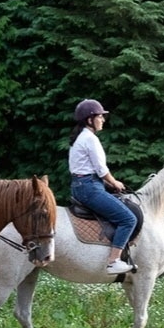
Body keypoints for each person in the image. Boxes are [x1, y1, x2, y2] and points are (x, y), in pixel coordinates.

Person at [69, 99, 137, 275]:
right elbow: (101, 169)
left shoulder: (80, 138)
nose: (103, 120)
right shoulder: (90, 139)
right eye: (100, 117)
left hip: (82, 185)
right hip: (90, 187)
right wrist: (114, 182)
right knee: (128, 219)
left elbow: (89, 169)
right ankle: (113, 261)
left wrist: (107, 183)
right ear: (90, 119)